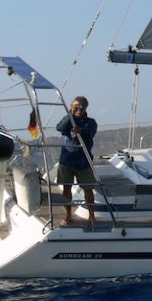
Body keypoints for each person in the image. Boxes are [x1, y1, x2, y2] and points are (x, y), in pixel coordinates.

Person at [56, 96, 98, 226]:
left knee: (88, 189)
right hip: (67, 161)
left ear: (86, 107)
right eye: (76, 106)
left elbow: (90, 132)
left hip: (83, 161)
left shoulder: (90, 122)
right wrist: (71, 114)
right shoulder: (68, 120)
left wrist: (81, 131)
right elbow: (60, 127)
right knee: (66, 188)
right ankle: (68, 214)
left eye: (82, 106)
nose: (79, 109)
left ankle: (91, 215)